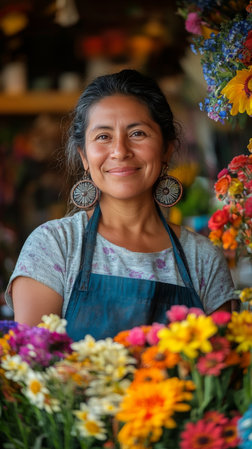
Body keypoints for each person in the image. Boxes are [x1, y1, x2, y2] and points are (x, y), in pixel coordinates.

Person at [5, 69, 237, 341]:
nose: (120, 151)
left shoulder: (203, 259)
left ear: (167, 149)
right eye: (103, 136)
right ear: (83, 156)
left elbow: (221, 371)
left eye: (138, 133)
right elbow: (33, 364)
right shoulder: (54, 246)